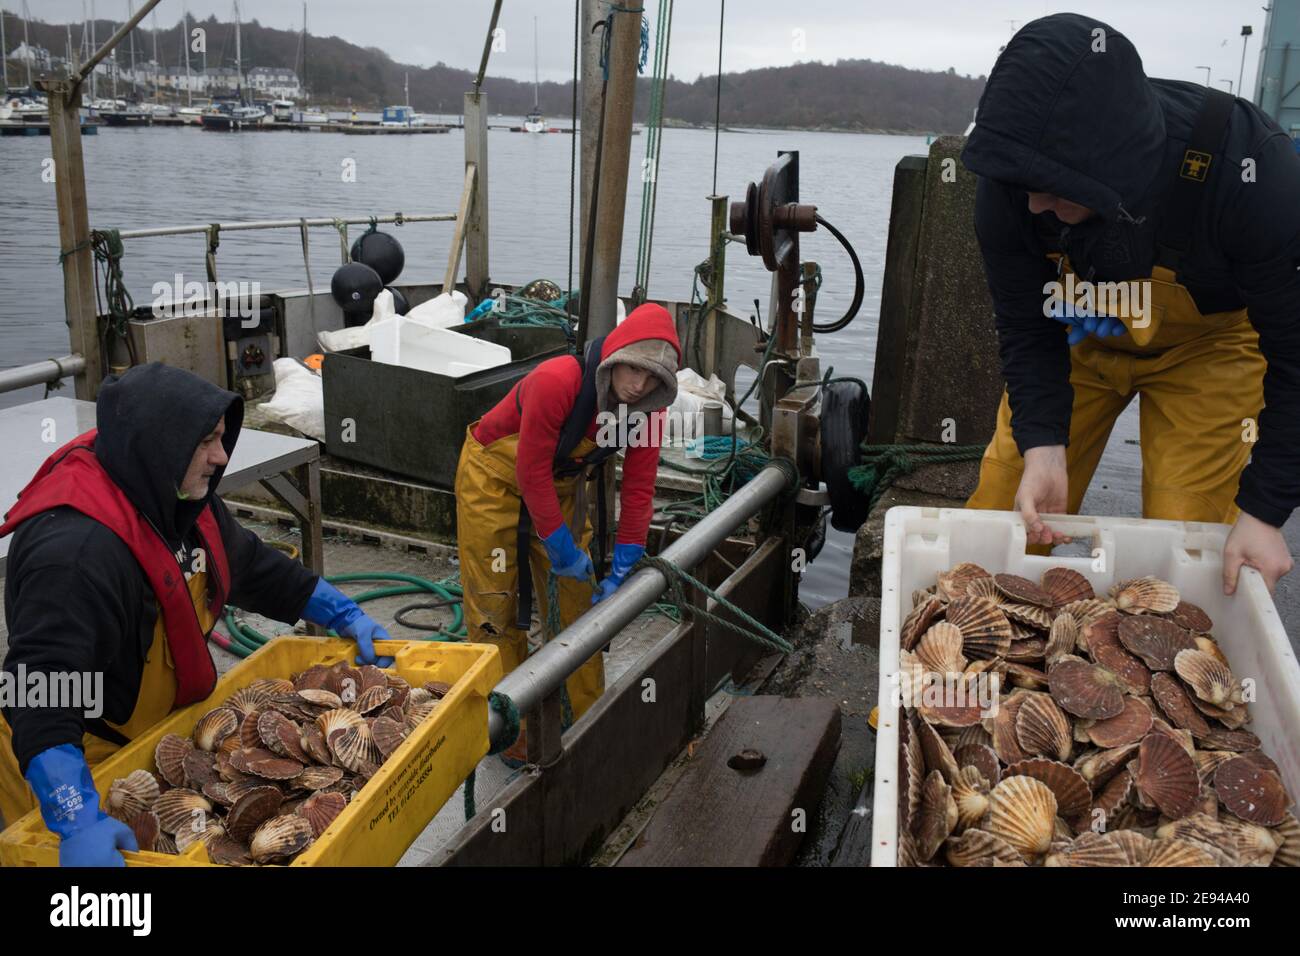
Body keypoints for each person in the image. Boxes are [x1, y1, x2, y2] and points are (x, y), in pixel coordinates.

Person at [0, 363, 391, 864]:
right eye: (207, 440)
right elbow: (40, 694)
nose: (221, 456)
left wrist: (343, 613)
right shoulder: (76, 556)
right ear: (161, 444)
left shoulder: (175, 497)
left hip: (153, 739)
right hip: (71, 758)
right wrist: (75, 818)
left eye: (222, 438)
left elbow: (250, 565)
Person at [961, 13, 1298, 594]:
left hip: (1209, 353)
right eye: (1026, 189)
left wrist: (1265, 511)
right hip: (1076, 340)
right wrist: (1043, 443)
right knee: (1003, 517)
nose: (1035, 204)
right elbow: (1022, 324)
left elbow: (1295, 360)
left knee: (1186, 548)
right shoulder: (1013, 181)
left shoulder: (1255, 176)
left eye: (1058, 190)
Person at [455, 303, 680, 762]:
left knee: (579, 599)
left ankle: (586, 714)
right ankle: (508, 724)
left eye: (652, 377)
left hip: (560, 483)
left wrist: (625, 562)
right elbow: (529, 468)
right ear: (615, 356)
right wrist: (559, 545)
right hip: (493, 475)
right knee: (495, 601)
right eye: (633, 367)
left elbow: (638, 491)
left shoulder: (645, 416)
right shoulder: (557, 380)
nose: (638, 384)